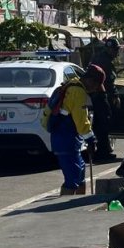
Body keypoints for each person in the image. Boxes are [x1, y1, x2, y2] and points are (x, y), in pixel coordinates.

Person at [45, 64, 105, 195]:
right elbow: (81, 120)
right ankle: (67, 211)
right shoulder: (78, 92)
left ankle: (77, 204)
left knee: (80, 173)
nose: (95, 90)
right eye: (96, 86)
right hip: (66, 138)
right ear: (90, 80)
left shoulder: (71, 85)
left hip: (67, 138)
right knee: (73, 179)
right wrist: (91, 140)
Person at [89, 37, 121, 161]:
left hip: (95, 95)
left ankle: (103, 150)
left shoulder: (97, 58)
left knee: (99, 124)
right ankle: (103, 152)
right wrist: (116, 96)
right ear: (109, 50)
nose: (116, 53)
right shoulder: (105, 61)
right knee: (103, 124)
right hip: (101, 95)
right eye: (115, 50)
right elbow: (109, 82)